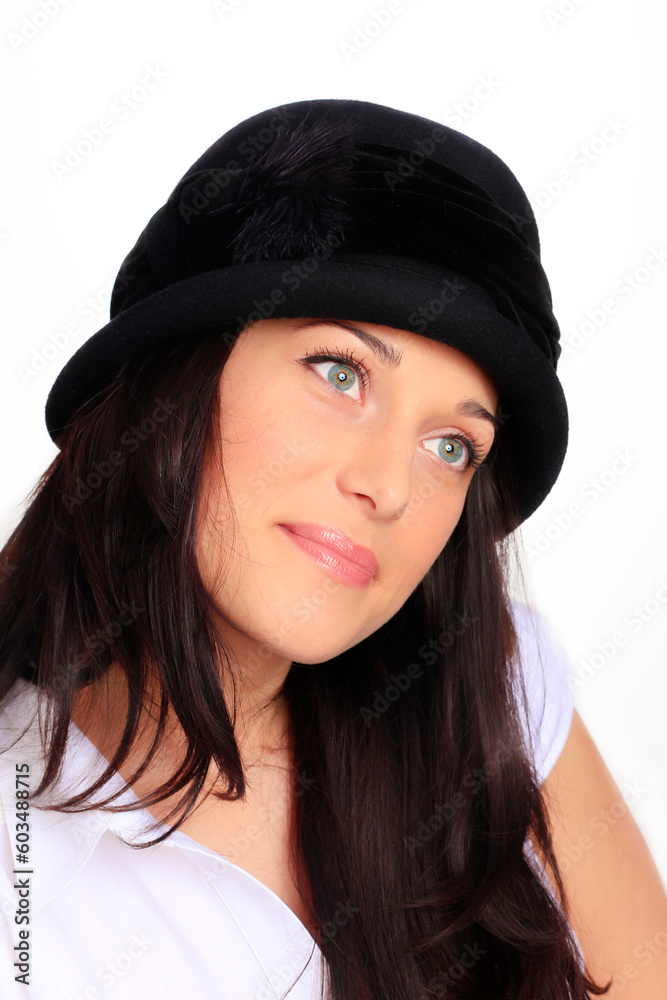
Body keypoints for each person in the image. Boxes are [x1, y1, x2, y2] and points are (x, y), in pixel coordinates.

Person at [0, 98, 665, 1000]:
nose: (390, 487)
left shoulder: (495, 692)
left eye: (451, 447)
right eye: (339, 373)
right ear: (175, 378)